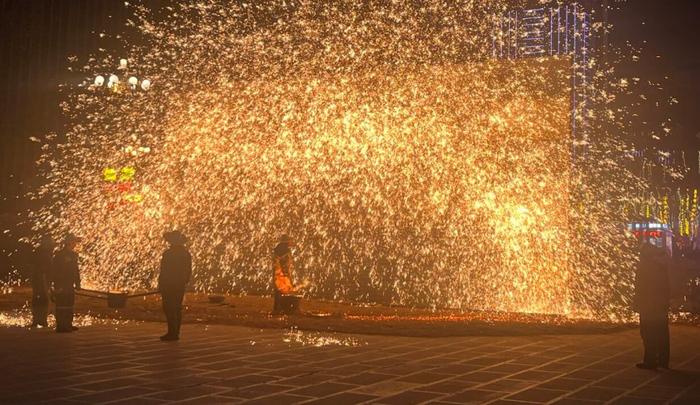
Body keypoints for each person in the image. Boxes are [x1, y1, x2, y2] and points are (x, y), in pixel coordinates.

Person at [633, 240, 671, 370]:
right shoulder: (660, 265)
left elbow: (641, 287)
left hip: (649, 305)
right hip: (660, 304)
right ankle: (663, 360)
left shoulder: (646, 266)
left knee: (648, 332)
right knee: (661, 332)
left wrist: (638, 302)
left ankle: (650, 360)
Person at [158, 230, 192, 341]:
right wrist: (183, 281)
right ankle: (175, 332)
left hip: (169, 284)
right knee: (176, 308)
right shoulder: (186, 254)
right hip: (179, 285)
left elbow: (163, 271)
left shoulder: (168, 254)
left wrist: (161, 284)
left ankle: (172, 332)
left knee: (169, 308)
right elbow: (188, 272)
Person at [51, 234, 82, 333]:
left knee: (69, 303)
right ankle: (61, 325)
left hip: (69, 283)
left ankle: (68, 324)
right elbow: (55, 271)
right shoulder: (59, 255)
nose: (75, 244)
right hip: (61, 283)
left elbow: (75, 270)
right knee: (61, 304)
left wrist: (77, 283)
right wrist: (57, 284)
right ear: (68, 242)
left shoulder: (73, 255)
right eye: (73, 242)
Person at [30, 236, 55, 328]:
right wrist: (46, 284)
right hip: (41, 280)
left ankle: (37, 320)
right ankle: (41, 320)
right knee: (43, 299)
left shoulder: (39, 252)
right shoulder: (43, 254)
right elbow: (43, 270)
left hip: (38, 280)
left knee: (37, 299)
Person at [272, 234, 295, 313]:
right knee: (285, 292)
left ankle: (277, 308)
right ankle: (284, 309)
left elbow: (275, 263)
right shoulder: (286, 251)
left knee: (277, 292)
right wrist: (288, 276)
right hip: (283, 274)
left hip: (276, 274)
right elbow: (286, 264)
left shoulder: (276, 250)